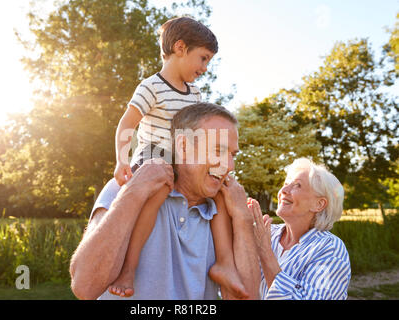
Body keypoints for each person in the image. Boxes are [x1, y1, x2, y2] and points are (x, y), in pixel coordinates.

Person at [110, 17, 246, 298]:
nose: (205, 68)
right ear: (180, 47)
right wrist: (122, 160)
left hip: (184, 158)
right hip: (154, 157)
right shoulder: (151, 87)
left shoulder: (194, 94)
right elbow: (126, 125)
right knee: (160, 189)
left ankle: (225, 264)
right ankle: (128, 267)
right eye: (203, 58)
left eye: (208, 61)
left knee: (220, 188)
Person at [69, 103, 261, 300]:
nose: (230, 165)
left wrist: (242, 218)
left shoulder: (225, 209)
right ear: (183, 146)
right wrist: (133, 191)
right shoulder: (126, 187)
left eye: (232, 155)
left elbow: (248, 297)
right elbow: (85, 286)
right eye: (218, 150)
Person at [248, 158, 351, 300]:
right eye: (285, 184)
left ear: (319, 204)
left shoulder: (331, 249)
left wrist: (265, 251)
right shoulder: (267, 234)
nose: (283, 190)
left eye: (297, 185)